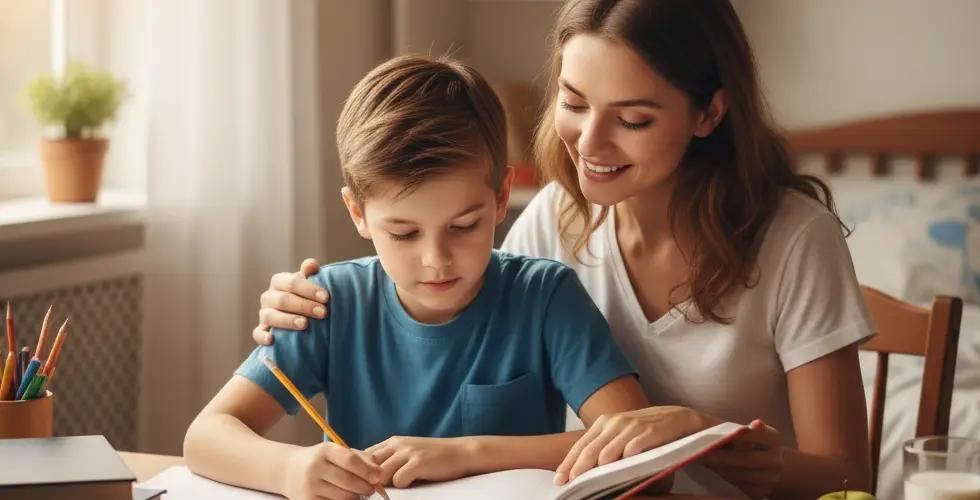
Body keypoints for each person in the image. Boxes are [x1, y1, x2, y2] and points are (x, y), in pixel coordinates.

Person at [251, 1, 877, 500]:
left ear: (709, 112)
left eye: (631, 119)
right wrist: (309, 304)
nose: (589, 143)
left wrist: (697, 428)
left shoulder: (796, 240)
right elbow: (457, 312)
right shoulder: (555, 216)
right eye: (574, 103)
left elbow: (849, 475)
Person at [182, 54, 666, 500]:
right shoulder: (330, 302)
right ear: (358, 212)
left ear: (500, 200)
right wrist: (288, 469)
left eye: (463, 226)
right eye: (404, 233)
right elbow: (206, 435)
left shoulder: (544, 296)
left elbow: (638, 447)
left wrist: (468, 453)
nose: (436, 259)